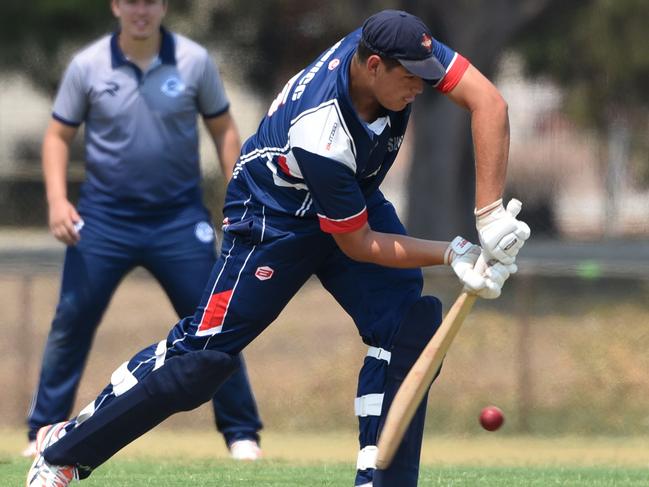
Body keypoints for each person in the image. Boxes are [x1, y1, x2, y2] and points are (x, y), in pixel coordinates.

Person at [26, 9, 530, 487]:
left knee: (409, 328)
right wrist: (453, 253)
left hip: (348, 199)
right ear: (374, 66)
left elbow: (490, 103)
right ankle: (62, 452)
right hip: (272, 220)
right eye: (411, 78)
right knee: (198, 363)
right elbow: (358, 244)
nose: (421, 86)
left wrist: (487, 218)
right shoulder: (323, 130)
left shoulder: (398, 42)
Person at [24, 0, 263, 464]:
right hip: (103, 219)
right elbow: (57, 136)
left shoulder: (194, 61)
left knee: (217, 323)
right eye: (131, 0)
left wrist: (240, 199)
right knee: (70, 320)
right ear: (116, 6)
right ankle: (42, 431)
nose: (141, 10)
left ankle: (241, 434)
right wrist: (57, 200)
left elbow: (224, 131)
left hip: (178, 220)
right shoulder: (87, 65)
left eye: (150, 1)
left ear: (163, 7)